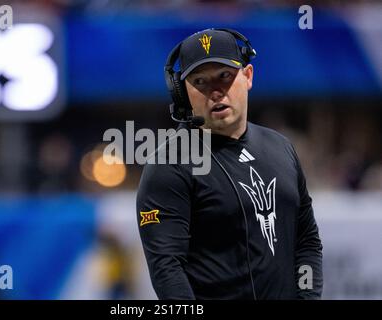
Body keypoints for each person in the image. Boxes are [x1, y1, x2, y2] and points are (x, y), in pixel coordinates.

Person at [136, 28, 323, 300]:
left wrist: (308, 298)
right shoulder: (169, 165)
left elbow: (306, 240)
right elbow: (167, 271)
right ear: (182, 94)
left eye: (225, 76)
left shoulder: (281, 147)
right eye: (200, 82)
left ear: (247, 76)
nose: (215, 92)